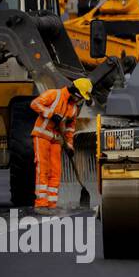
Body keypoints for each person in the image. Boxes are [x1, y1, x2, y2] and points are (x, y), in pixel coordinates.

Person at [30, 78, 91, 210]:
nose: (80, 101)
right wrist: (51, 114)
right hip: (42, 136)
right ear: (76, 92)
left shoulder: (73, 109)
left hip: (56, 140)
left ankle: (51, 204)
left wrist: (69, 145)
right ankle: (41, 204)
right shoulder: (54, 94)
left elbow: (70, 129)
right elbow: (35, 104)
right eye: (81, 97)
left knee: (56, 172)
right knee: (43, 170)